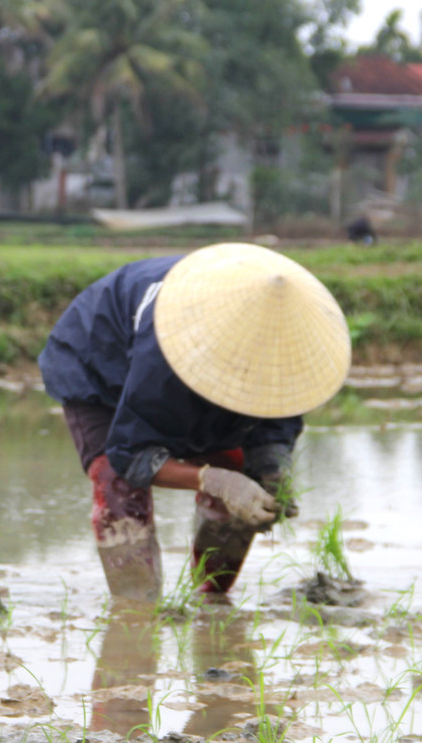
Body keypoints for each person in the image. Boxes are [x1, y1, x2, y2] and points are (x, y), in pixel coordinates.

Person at [37, 243, 351, 600]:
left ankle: (211, 599)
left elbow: (277, 420)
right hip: (100, 367)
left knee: (241, 472)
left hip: (191, 360)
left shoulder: (286, 350)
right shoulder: (167, 351)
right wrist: (211, 480)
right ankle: (136, 609)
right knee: (117, 484)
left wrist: (272, 467)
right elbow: (129, 454)